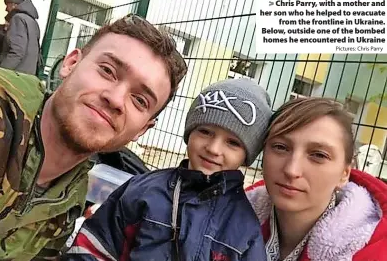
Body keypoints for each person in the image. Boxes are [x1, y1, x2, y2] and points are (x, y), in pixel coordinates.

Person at [0, 14, 187, 260]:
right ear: (71, 63)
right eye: (108, 71)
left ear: (142, 129)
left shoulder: (69, 201)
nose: (116, 99)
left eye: (140, 100)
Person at [63, 78, 272, 261]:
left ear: (247, 155)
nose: (213, 148)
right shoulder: (141, 191)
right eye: (205, 131)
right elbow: (93, 247)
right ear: (189, 132)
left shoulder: (245, 228)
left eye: (232, 143)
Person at [245, 97, 387, 261]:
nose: (292, 170)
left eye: (319, 155)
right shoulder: (228, 220)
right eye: (281, 147)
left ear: (344, 173)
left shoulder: (374, 252)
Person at [0, 0, 41, 75]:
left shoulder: (18, 18)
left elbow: (17, 51)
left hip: (15, 74)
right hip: (27, 75)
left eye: (7, 5)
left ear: (14, 5)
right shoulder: (33, 22)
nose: (6, 9)